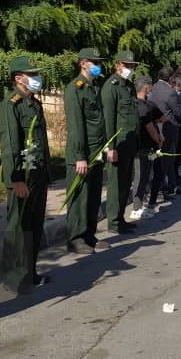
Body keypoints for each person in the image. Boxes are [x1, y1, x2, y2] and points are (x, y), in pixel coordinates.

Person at [0, 56, 52, 295]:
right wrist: (16, 179)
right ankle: (14, 277)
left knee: (34, 226)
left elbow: (42, 143)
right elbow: (10, 145)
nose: (36, 79)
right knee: (18, 228)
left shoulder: (35, 104)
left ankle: (30, 272)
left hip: (38, 173)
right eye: (32, 75)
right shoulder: (10, 105)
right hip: (22, 176)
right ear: (18, 78)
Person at [64, 47, 108, 255]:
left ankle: (90, 234)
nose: (98, 66)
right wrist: (80, 156)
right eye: (94, 62)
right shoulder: (75, 88)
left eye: (99, 62)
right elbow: (76, 126)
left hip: (97, 150)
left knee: (93, 195)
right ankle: (76, 238)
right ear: (83, 63)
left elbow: (100, 121)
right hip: (83, 152)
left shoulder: (94, 88)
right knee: (80, 197)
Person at [102, 50, 140, 234]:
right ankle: (113, 222)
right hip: (118, 143)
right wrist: (111, 146)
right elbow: (109, 119)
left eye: (132, 66)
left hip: (130, 141)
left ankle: (120, 218)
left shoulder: (129, 86)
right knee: (116, 184)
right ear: (117, 65)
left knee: (125, 183)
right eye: (127, 65)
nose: (130, 69)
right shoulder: (111, 86)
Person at [130, 76, 165, 219]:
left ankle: (143, 204)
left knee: (145, 175)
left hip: (142, 146)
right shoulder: (144, 106)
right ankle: (137, 207)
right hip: (146, 146)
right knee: (141, 176)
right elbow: (150, 126)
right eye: (150, 87)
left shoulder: (135, 104)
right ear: (146, 88)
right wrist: (158, 139)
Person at [151, 66, 181, 197]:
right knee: (169, 157)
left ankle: (164, 185)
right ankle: (168, 186)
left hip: (155, 126)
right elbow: (176, 110)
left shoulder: (153, 87)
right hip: (169, 126)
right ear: (170, 78)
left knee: (160, 157)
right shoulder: (170, 92)